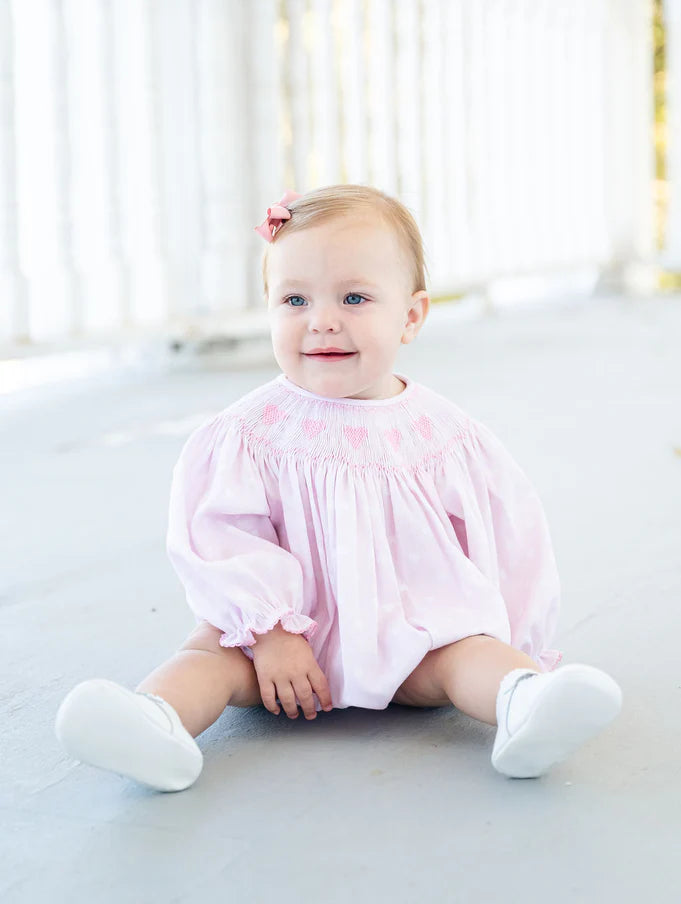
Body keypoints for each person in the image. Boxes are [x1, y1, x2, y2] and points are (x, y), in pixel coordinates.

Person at [54, 184, 622, 792]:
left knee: (469, 652)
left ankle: (524, 704)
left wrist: (518, 637)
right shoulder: (251, 433)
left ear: (410, 316)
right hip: (278, 657)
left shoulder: (444, 437)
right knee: (210, 653)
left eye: (354, 297)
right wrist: (271, 630)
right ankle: (155, 723)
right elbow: (220, 534)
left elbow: (506, 535)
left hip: (411, 640)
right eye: (294, 299)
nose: (322, 319)